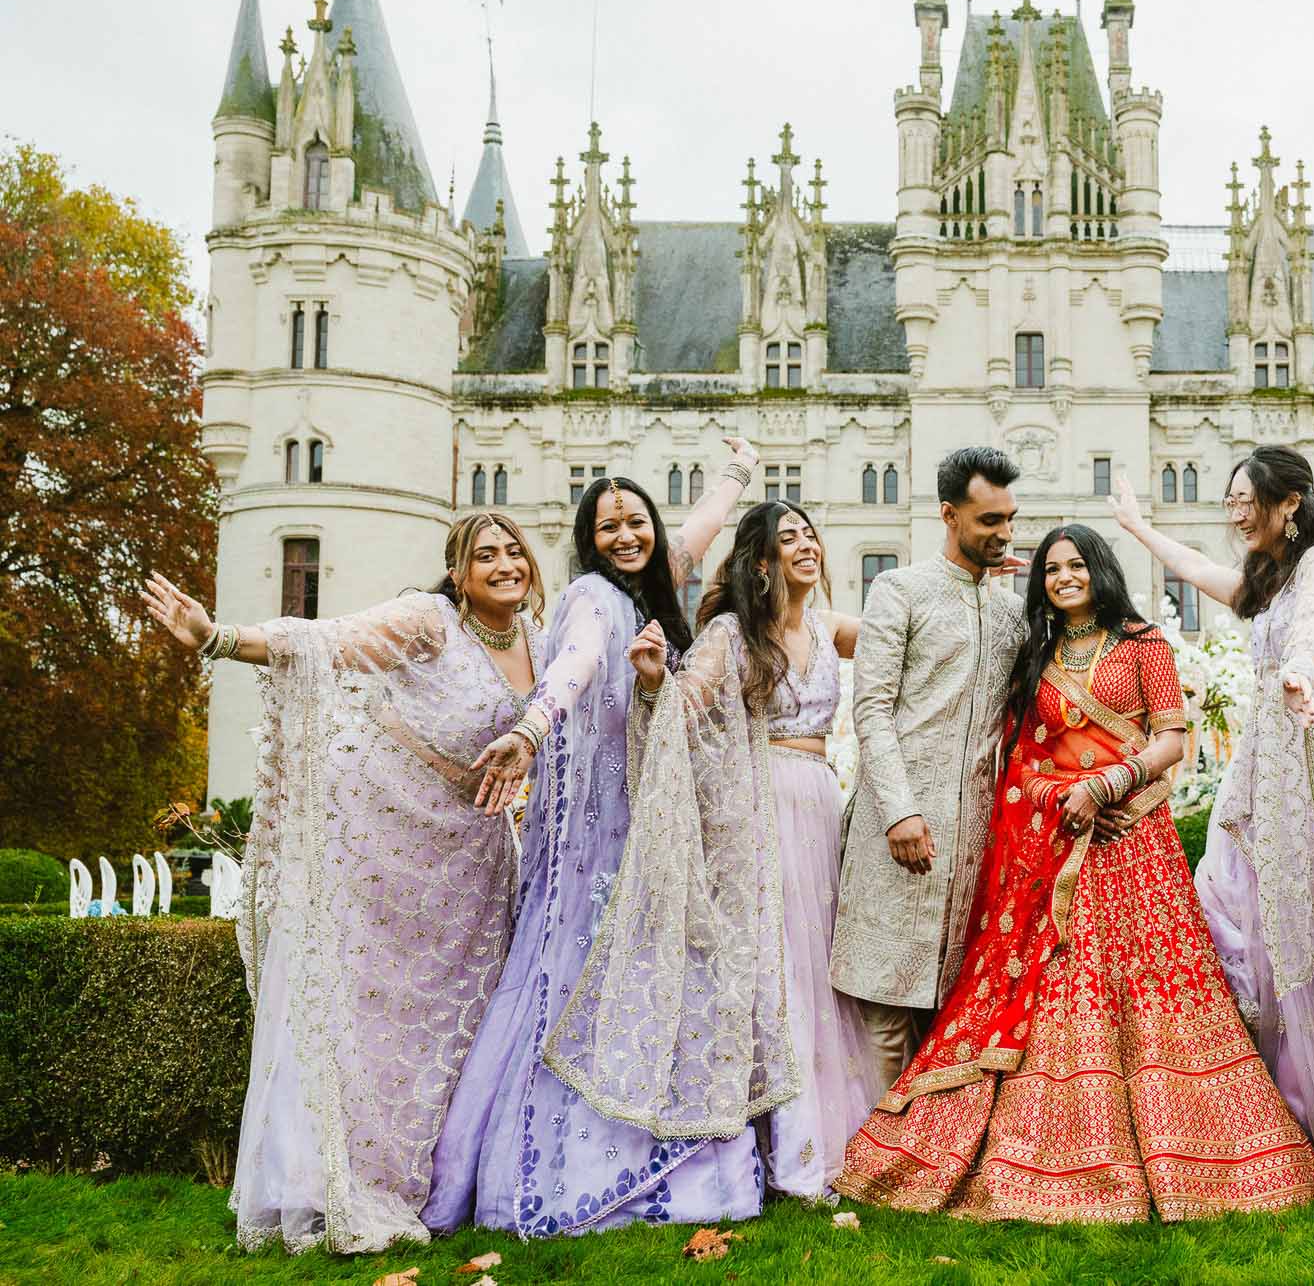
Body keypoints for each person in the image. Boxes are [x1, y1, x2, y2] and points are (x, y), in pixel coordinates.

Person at [836, 527, 1314, 1220]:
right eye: (1051, 569)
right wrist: (1057, 797)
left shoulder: (1142, 643)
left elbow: (1171, 737)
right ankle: (1052, 1144)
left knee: (1153, 986)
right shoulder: (1036, 656)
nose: (1063, 577)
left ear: (1099, 569)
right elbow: (1022, 759)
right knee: (1063, 985)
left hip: (1133, 842)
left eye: (1075, 565)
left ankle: (1189, 1141)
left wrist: (1108, 785)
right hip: (1057, 846)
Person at [141, 513, 545, 1253]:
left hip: (476, 854)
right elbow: (327, 642)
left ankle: (431, 1181)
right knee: (365, 1008)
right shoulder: (427, 621)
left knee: (455, 1017)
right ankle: (331, 1181)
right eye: (484, 555)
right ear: (457, 575)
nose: (503, 563)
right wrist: (219, 638)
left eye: (513, 550)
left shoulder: (541, 645)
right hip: (386, 832)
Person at [425, 441, 780, 1238]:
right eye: (609, 525)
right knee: (587, 981)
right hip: (598, 835)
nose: (626, 535)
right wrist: (531, 726)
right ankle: (566, 1169)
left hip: (647, 821)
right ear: (588, 538)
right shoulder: (592, 598)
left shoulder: (653, 590)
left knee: (647, 979)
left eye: (636, 521)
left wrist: (737, 474)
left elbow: (696, 532)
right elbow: (579, 667)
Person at [1109, 446, 1314, 1187]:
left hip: (1302, 762)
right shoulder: (1278, 573)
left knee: (1295, 931)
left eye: (1245, 499)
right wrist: (1140, 530)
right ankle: (1277, 1107)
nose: (1235, 512)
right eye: (1229, 499)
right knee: (1240, 913)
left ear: (1288, 502)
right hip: (1269, 767)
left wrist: (1297, 673)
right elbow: (1209, 576)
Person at [624, 500, 882, 1202]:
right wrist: (653, 681)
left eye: (810, 534)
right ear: (761, 562)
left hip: (823, 802)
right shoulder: (732, 632)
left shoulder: (830, 628)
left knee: (826, 965)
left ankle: (846, 1130)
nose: (806, 545)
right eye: (787, 537)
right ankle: (788, 1142)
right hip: (760, 806)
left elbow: (910, 639)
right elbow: (686, 700)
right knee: (781, 967)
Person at [830, 446, 1026, 1085]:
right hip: (900, 824)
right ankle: (874, 1154)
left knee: (952, 1002)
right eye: (988, 521)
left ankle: (928, 1151)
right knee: (886, 999)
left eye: (1009, 519)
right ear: (949, 515)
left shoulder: (1010, 611)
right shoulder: (900, 590)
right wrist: (900, 811)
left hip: (974, 835)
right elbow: (873, 708)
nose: (1004, 533)